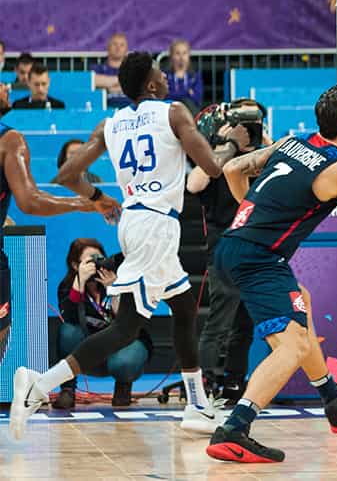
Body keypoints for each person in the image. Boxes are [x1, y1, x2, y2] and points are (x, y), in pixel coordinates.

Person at [10, 52, 238, 441]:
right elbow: (213, 167)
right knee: (127, 327)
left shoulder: (110, 123)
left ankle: (197, 404)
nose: (166, 77)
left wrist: (98, 197)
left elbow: (66, 175)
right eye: (160, 73)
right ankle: (38, 384)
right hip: (155, 226)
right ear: (151, 85)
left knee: (184, 306)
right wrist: (231, 145)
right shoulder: (174, 113)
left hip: (133, 221)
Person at [204, 85, 337, 463]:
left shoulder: (290, 143)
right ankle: (234, 428)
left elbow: (233, 169)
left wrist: (253, 213)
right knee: (294, 346)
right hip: (259, 258)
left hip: (233, 247)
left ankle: (334, 400)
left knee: (303, 303)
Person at [0, 85, 116, 393]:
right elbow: (30, 202)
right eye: (0, 81)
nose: (7, 86)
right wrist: (86, 202)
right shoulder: (10, 140)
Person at [189, 118, 256, 405]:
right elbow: (194, 184)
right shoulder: (216, 159)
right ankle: (204, 386)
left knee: (245, 324)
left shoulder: (261, 156)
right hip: (224, 250)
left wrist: (258, 144)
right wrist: (229, 145)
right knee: (220, 322)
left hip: (255, 249)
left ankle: (233, 383)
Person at [53, 239, 152, 409]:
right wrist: (79, 284)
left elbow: (129, 322)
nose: (96, 266)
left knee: (125, 361)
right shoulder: (67, 286)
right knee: (67, 331)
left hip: (120, 351)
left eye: (100, 259)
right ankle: (67, 390)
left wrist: (115, 289)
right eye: (90, 261)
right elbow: (69, 318)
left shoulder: (122, 281)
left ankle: (123, 387)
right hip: (88, 352)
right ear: (75, 265)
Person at [166, 39, 204, 109]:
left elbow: (197, 99)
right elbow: (165, 97)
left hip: (190, 112)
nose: (181, 57)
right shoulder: (165, 76)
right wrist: (188, 92)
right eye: (177, 53)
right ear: (171, 55)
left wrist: (174, 93)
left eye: (184, 53)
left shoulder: (195, 76)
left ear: (189, 55)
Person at [92, 33, 128, 102]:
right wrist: (124, 84)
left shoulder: (132, 69)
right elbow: (93, 81)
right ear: (108, 47)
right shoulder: (97, 68)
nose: (118, 48)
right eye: (115, 44)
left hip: (129, 109)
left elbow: (137, 85)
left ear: (126, 50)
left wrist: (107, 86)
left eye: (122, 45)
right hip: (105, 108)